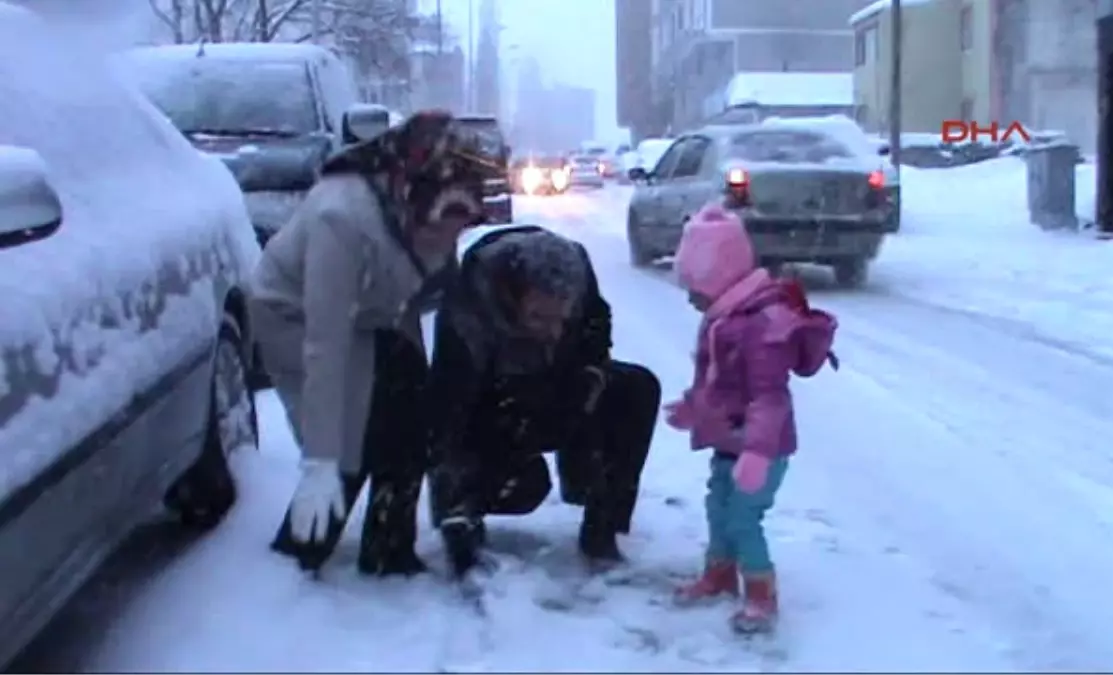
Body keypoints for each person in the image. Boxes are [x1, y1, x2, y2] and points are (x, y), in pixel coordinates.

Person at [248, 110, 493, 577]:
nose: (447, 239)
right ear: (411, 195)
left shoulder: (431, 208)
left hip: (373, 316)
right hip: (293, 314)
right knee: (349, 428)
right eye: (440, 226)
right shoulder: (340, 220)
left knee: (412, 410)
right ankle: (299, 554)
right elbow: (325, 343)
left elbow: (412, 296)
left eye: (459, 226)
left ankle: (389, 546)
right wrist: (320, 459)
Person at [426, 226, 661, 579]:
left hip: (556, 385)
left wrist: (590, 379)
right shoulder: (469, 307)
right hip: (493, 406)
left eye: (561, 320)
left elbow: (597, 326)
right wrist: (454, 509)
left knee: (637, 387)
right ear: (513, 297)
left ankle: (602, 527)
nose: (553, 330)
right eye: (539, 317)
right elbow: (448, 411)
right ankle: (474, 509)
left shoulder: (577, 272)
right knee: (526, 488)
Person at [663, 203, 837, 634]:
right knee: (717, 506)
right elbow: (718, 381)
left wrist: (758, 452)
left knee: (743, 517)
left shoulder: (762, 326)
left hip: (763, 449)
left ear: (718, 276)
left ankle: (761, 593)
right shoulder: (723, 318)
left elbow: (769, 397)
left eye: (694, 286)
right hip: (730, 442)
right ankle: (719, 575)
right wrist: (694, 406)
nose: (688, 297)